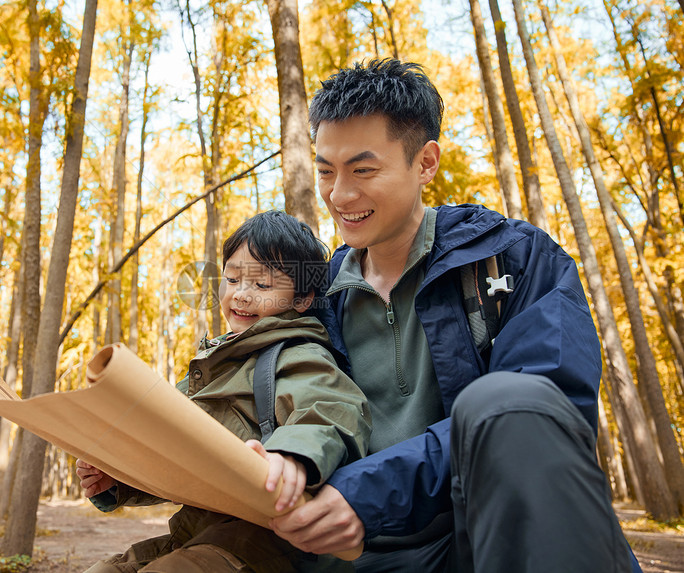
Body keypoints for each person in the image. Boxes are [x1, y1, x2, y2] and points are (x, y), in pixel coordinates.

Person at [269, 58, 640, 572]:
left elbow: (544, 412)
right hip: (347, 554)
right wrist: (133, 470)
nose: (339, 195)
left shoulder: (514, 258)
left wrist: (369, 493)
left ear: (424, 163)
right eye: (327, 171)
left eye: (363, 170)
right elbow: (254, 388)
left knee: (509, 398)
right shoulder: (316, 296)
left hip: (479, 539)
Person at [77, 210, 371, 573]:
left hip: (264, 543)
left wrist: (293, 456)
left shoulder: (296, 354)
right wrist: (116, 479)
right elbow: (175, 456)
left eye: (263, 286)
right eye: (232, 279)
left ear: (302, 299)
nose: (241, 295)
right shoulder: (210, 366)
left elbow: (328, 407)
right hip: (193, 532)